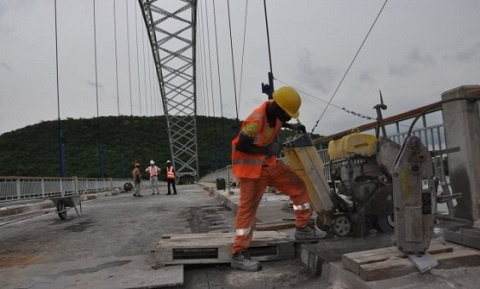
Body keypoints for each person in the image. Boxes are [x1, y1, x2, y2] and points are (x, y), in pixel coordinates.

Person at [230, 86, 326, 272]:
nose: (289, 117)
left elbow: (277, 123)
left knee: (298, 187)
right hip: (251, 170)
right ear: (277, 107)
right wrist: (267, 149)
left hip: (269, 164)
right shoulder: (256, 119)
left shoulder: (275, 114)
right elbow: (242, 144)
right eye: (288, 114)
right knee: (248, 209)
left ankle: (303, 228)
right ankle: (239, 253)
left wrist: (292, 126)